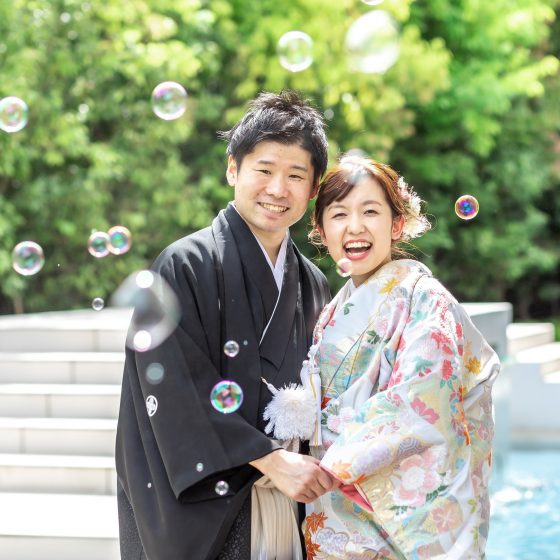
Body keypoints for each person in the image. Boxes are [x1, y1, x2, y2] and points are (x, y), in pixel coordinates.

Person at [115, 90, 339, 560]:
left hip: (293, 499)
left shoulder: (314, 283)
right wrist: (269, 460)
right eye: (264, 170)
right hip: (219, 504)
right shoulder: (184, 266)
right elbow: (176, 389)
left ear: (314, 187)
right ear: (233, 169)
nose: (278, 189)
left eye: (295, 175)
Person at [300, 155, 500, 558]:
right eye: (339, 214)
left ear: (396, 224)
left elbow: (424, 396)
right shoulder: (330, 311)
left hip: (381, 505)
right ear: (321, 230)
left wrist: (339, 462)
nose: (355, 226)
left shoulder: (426, 299)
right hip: (330, 509)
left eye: (370, 211)